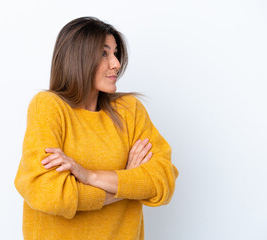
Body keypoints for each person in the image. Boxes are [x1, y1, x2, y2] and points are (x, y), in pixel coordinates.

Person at [14, 16, 179, 240]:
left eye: (115, 53)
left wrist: (89, 176)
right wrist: (127, 183)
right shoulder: (48, 106)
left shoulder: (129, 110)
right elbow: (47, 193)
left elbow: (163, 181)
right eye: (104, 53)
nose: (116, 64)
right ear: (78, 58)